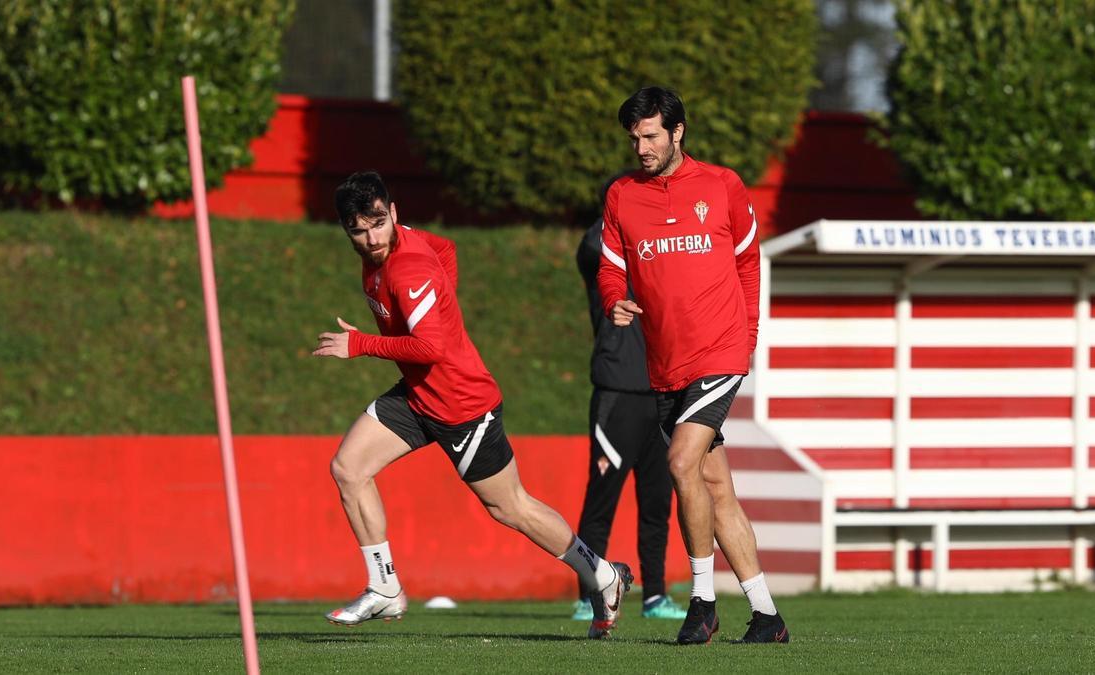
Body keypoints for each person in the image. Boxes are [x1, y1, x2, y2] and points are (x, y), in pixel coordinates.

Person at [313, 170, 632, 639]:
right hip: (419, 396)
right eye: (358, 230)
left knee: (511, 508)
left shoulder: (408, 268)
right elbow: (447, 250)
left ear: (394, 213)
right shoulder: (395, 252)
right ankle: (384, 586)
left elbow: (431, 348)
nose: (370, 237)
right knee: (348, 468)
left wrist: (360, 344)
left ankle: (601, 576)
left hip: (463, 406)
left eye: (378, 224)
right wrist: (442, 303)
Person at [596, 87, 789, 645]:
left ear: (678, 132)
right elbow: (611, 267)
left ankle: (701, 603)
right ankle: (767, 615)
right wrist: (614, 299)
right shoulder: (621, 196)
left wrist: (747, 336)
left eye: (652, 135)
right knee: (714, 484)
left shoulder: (723, 185)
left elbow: (750, 264)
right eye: (635, 137)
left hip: (721, 350)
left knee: (681, 463)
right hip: (666, 364)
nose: (642, 147)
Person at [567, 189, 687, 622]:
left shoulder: (659, 244)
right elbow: (595, 246)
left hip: (660, 390)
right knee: (602, 501)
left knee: (658, 502)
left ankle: (655, 596)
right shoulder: (599, 244)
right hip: (615, 392)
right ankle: (589, 594)